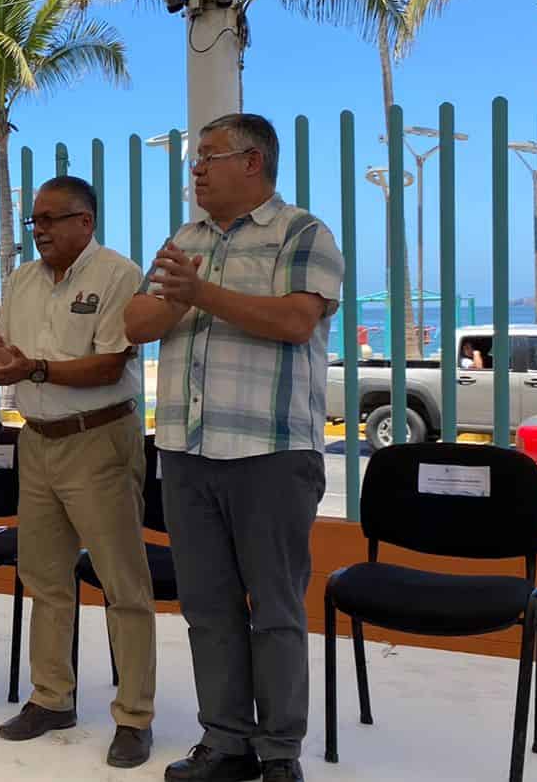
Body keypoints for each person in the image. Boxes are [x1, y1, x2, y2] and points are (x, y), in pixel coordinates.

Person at [124, 114, 344, 782]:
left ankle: (279, 753)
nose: (195, 168)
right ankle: (225, 743)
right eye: (195, 158)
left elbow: (297, 319)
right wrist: (179, 300)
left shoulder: (302, 233)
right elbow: (135, 321)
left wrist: (201, 294)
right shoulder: (184, 240)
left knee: (274, 610)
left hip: (270, 451)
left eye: (209, 156)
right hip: (187, 451)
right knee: (208, 608)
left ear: (253, 162)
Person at [0, 176, 157, 768]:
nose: (40, 230)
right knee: (45, 576)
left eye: (51, 219)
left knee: (122, 584)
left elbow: (109, 366)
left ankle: (134, 716)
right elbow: (13, 352)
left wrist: (33, 369)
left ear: (86, 221)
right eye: (35, 220)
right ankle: (52, 698)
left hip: (99, 440)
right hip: (38, 442)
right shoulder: (22, 280)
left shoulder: (118, 274)